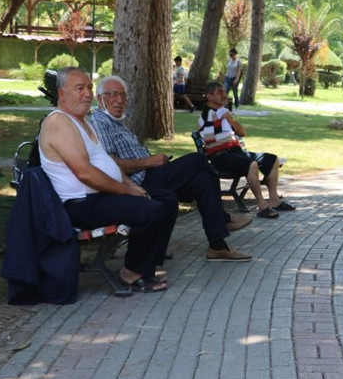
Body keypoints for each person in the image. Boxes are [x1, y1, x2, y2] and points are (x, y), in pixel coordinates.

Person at [37, 67, 179, 293]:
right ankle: (131, 273)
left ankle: (148, 263)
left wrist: (131, 184)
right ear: (62, 94)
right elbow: (84, 173)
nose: (87, 94)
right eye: (80, 88)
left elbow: (107, 163)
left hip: (99, 196)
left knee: (167, 199)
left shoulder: (83, 121)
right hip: (79, 205)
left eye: (89, 88)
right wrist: (126, 192)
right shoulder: (59, 122)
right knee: (150, 210)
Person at [90, 75, 251, 263]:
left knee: (204, 182)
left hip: (152, 174)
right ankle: (223, 219)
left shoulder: (116, 124)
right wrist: (149, 162)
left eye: (123, 96)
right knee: (199, 159)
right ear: (99, 97)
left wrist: (153, 161)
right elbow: (110, 165)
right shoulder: (100, 123)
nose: (119, 100)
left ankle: (218, 246)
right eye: (113, 94)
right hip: (137, 183)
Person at [198, 81, 295, 219]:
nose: (224, 95)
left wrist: (230, 121)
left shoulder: (224, 114)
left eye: (224, 91)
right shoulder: (205, 116)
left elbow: (242, 133)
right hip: (221, 157)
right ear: (209, 96)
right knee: (252, 164)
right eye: (220, 92)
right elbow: (211, 141)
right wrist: (223, 123)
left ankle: (274, 200)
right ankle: (262, 206)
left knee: (272, 159)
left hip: (236, 153)